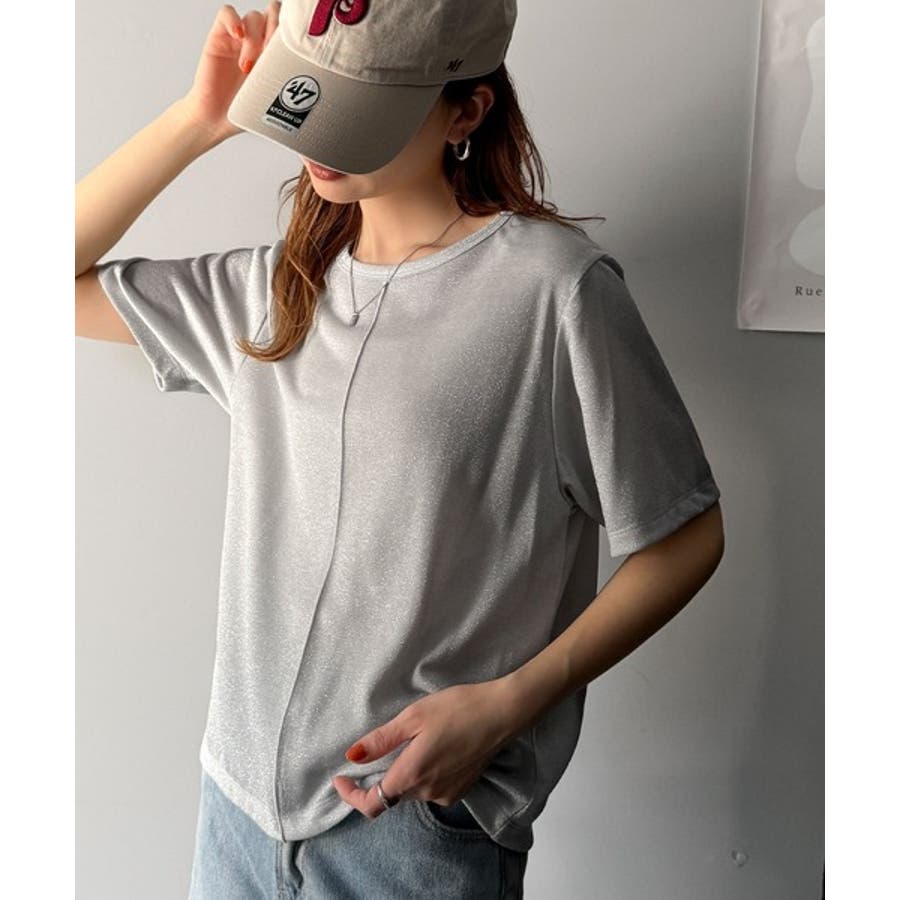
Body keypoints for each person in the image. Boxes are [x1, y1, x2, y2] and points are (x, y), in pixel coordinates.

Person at [75, 0, 725, 897]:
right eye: (311, 95)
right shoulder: (272, 293)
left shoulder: (553, 292)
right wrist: (200, 120)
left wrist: (506, 707)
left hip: (410, 828)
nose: (319, 137)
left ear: (467, 111)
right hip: (236, 816)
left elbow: (685, 535)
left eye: (363, 108)